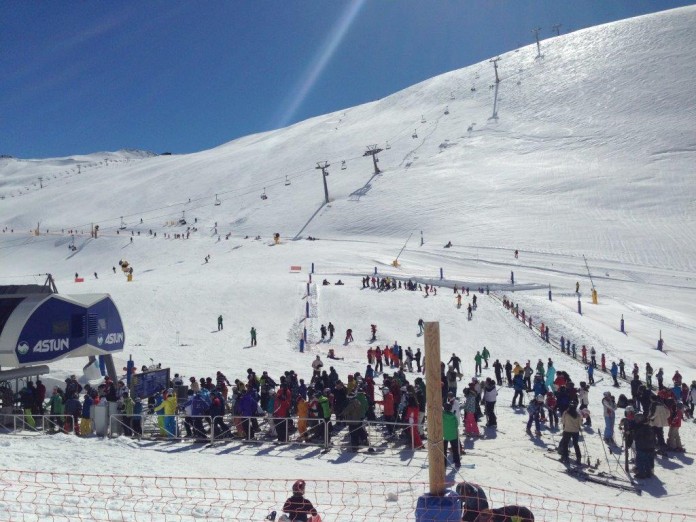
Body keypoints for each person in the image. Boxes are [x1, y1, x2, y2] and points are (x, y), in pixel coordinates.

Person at [443, 400, 461, 469]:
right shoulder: (453, 416)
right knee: (455, 450)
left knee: (444, 450)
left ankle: (444, 464)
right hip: (453, 435)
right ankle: (457, 463)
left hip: (444, 435)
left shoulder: (442, 415)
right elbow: (456, 424)